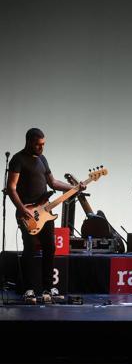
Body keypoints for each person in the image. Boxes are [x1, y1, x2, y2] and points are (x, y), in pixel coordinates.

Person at [7, 128, 85, 304]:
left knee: (50, 248)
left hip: (46, 213)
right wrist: (21, 208)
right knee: (30, 249)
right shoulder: (18, 159)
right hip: (28, 212)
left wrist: (74, 188)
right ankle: (29, 290)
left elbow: (53, 182)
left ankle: (48, 289)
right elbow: (11, 187)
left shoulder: (42, 159)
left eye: (43, 144)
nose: (41, 148)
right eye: (38, 144)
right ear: (29, 142)